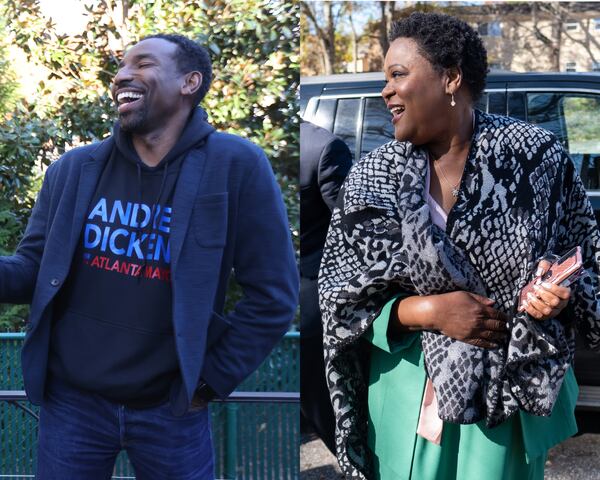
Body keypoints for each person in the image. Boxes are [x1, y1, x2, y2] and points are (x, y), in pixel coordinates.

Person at [0, 33, 298, 479]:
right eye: (121, 66)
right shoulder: (73, 170)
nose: (122, 75)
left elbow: (274, 295)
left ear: (189, 82)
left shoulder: (236, 165)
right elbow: (30, 274)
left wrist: (212, 378)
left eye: (142, 64)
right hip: (72, 409)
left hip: (172, 412)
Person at [318, 12, 600, 480]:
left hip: (509, 394)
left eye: (398, 75)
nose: (384, 90)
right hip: (409, 392)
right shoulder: (373, 178)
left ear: (450, 77)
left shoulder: (536, 159)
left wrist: (556, 297)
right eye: (384, 78)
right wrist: (427, 311)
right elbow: (339, 298)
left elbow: (585, 262)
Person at [300, 120, 352, 453]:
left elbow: (353, 226)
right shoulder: (318, 145)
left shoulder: (324, 148)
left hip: (315, 297)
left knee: (325, 406)